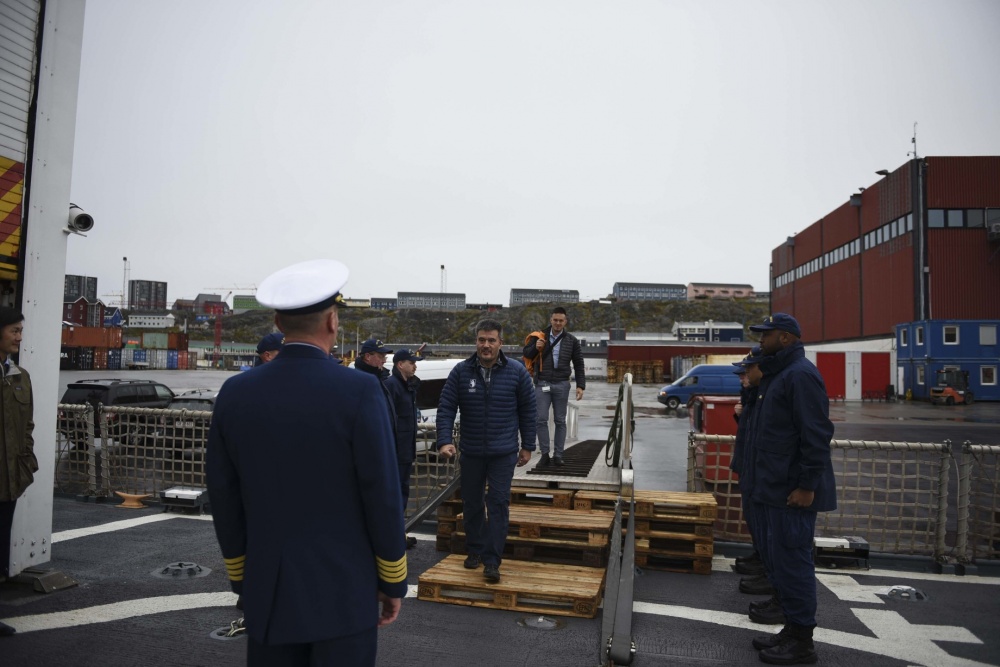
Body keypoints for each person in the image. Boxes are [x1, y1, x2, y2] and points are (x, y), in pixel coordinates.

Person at [207, 260, 406, 667]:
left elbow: (223, 495)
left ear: (278, 322)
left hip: (269, 590)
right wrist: (392, 580)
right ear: (333, 321)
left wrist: (244, 575)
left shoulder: (235, 393)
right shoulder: (361, 390)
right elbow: (382, 494)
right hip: (344, 592)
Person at [744, 313, 836, 665]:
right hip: (773, 488)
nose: (760, 341)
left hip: (791, 492)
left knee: (794, 562)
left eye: (766, 335)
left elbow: (816, 434)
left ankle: (802, 641)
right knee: (781, 562)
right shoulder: (779, 375)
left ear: (785, 338)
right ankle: (791, 628)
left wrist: (807, 485)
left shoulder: (800, 376)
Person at [437, 319, 536, 583]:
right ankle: (475, 549)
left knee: (499, 504)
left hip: (503, 452)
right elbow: (446, 407)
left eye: (491, 340)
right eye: (482, 340)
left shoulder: (516, 372)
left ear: (500, 343)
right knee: (471, 503)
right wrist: (444, 440)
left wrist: (528, 446)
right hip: (471, 451)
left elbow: (529, 410)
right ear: (476, 342)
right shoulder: (461, 372)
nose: (486, 345)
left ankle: (492, 560)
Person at [0, 308, 35, 638]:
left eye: (20, 330)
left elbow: (28, 428)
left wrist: (25, 467)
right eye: (14, 330)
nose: (19, 337)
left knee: (0, 550)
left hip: (9, 481)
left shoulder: (19, 376)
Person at [521, 307, 586, 466]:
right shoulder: (539, 337)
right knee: (541, 419)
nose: (557, 323)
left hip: (562, 384)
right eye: (555, 320)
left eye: (561, 321)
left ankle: (558, 455)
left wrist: (580, 385)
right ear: (551, 320)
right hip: (542, 382)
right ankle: (544, 454)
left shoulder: (572, 340)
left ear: (565, 321)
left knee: (560, 420)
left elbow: (578, 363)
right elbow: (526, 354)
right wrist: (535, 347)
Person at [385, 348, 423, 549]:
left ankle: (399, 533)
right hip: (396, 452)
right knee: (395, 494)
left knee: (402, 493)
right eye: (411, 362)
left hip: (405, 451)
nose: (415, 365)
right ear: (400, 364)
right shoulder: (392, 385)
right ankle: (394, 536)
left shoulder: (407, 386)